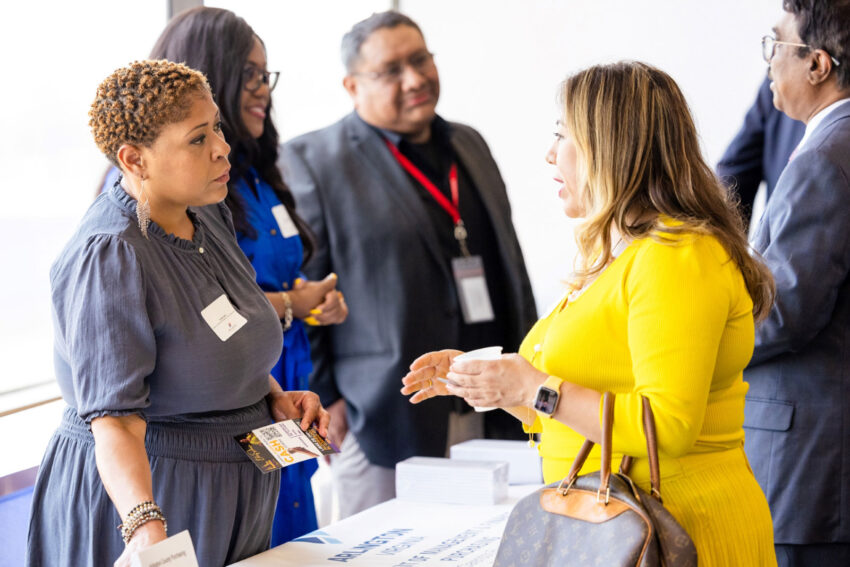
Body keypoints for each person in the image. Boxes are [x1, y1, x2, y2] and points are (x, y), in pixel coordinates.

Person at [403, 61, 778, 565]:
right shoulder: (621, 251)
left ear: (611, 146)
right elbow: (579, 409)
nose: (550, 153)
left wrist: (530, 386)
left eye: (563, 134)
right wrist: (492, 384)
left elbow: (663, 426)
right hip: (618, 526)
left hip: (677, 530)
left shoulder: (676, 256)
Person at [26, 60, 330, 566]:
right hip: (154, 497)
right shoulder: (112, 254)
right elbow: (115, 421)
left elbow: (227, 338)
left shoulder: (207, 212)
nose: (221, 147)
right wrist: (146, 528)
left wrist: (273, 396)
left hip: (234, 486)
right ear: (135, 159)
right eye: (197, 138)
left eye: (216, 127)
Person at [281, 11, 537, 518]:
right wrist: (331, 402)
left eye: (420, 60)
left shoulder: (469, 143)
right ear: (352, 85)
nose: (415, 79)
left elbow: (510, 267)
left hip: (491, 402)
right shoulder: (314, 159)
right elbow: (309, 290)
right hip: (383, 415)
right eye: (392, 70)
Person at [147, 7, 347, 545]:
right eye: (251, 74)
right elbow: (193, 304)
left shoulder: (252, 175)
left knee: (296, 541)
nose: (263, 89)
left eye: (267, 75)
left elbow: (277, 278)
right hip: (224, 426)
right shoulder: (165, 196)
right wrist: (289, 304)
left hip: (285, 401)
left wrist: (314, 303)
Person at [744, 1, 850, 565]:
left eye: (776, 44)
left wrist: (694, 333)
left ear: (818, 66)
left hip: (810, 471)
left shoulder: (824, 157)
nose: (767, 62)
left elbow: (782, 312)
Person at [716, 75, 804, 228]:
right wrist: (722, 241)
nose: (772, 59)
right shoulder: (784, 74)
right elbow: (736, 169)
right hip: (781, 242)